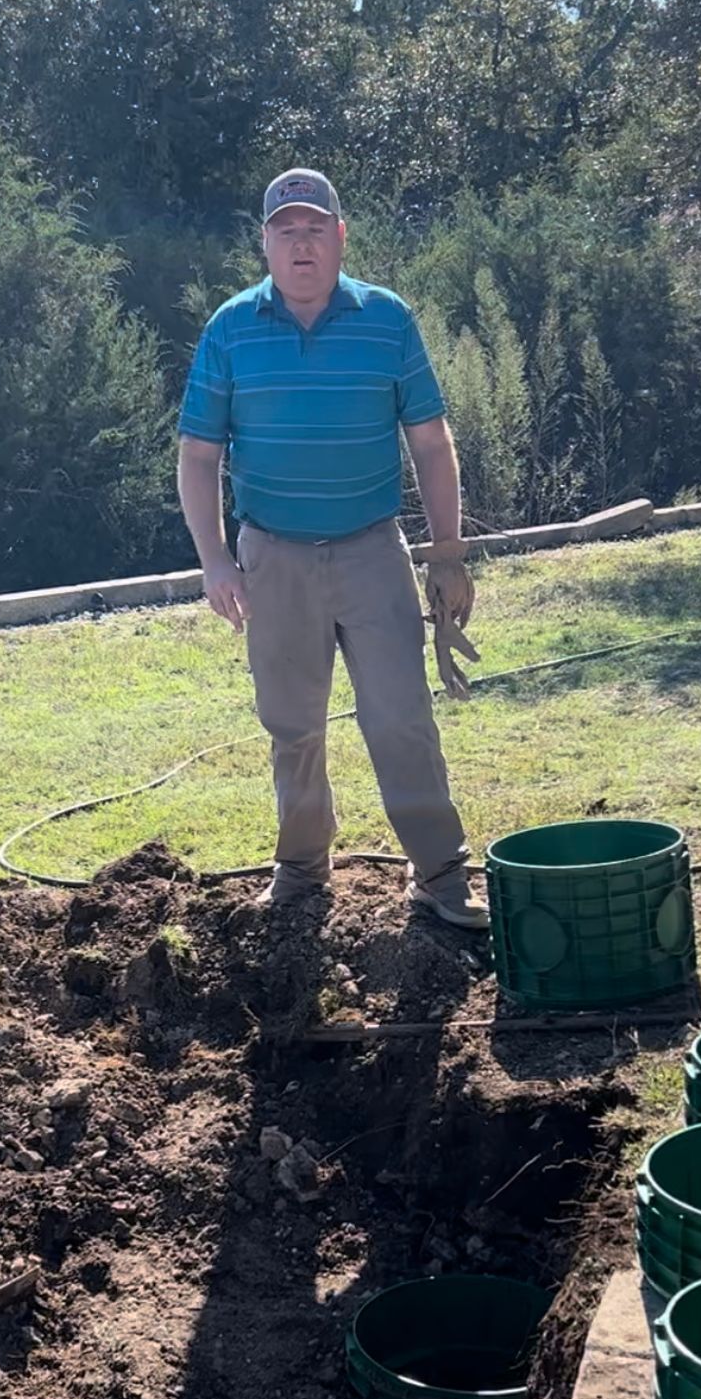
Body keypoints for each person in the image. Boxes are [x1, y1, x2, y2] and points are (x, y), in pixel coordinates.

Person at [177, 167, 487, 928]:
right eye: (286, 230)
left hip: (371, 551)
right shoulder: (230, 329)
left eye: (316, 228)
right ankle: (303, 868)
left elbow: (432, 443)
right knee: (292, 722)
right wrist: (215, 559)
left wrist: (447, 552)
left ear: (341, 237)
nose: (302, 243)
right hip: (273, 557)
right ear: (265, 243)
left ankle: (441, 872)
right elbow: (197, 455)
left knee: (400, 715)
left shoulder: (387, 321)